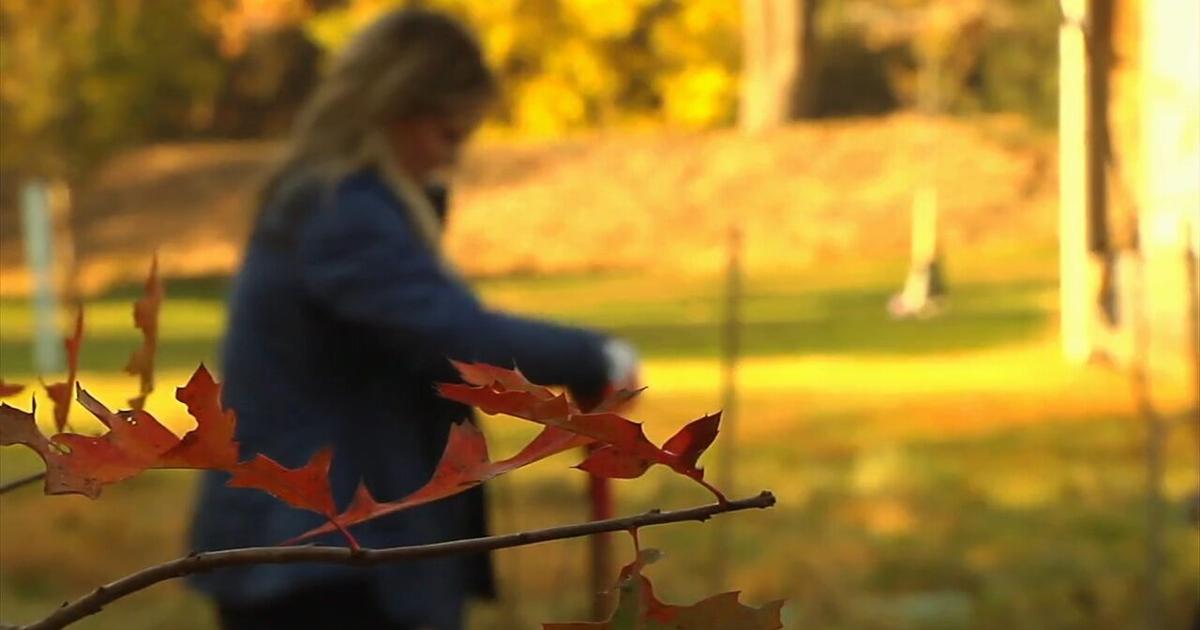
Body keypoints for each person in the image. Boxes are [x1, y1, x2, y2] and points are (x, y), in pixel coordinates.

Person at [186, 9, 637, 630]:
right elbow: (449, 335)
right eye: (448, 135)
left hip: (320, 544)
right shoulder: (343, 210)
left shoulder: (331, 201)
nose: (449, 160)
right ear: (394, 108)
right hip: (321, 559)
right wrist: (598, 359)